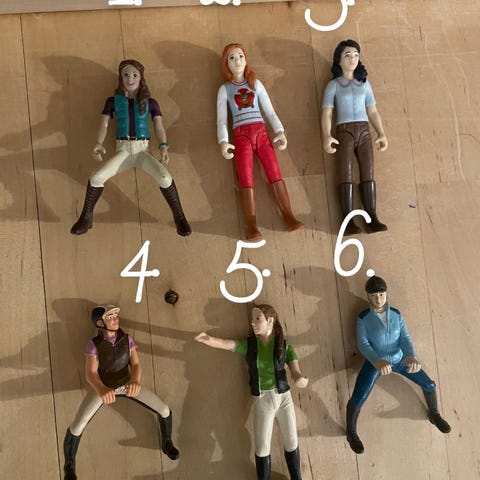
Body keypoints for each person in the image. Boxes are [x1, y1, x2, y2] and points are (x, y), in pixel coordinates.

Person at [70, 59, 191, 237]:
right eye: (126, 75)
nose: (130, 78)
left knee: (165, 178)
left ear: (141, 78)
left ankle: (180, 217)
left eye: (134, 75)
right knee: (96, 177)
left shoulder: (151, 102)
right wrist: (99, 143)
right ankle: (86, 217)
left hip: (142, 151)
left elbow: (159, 127)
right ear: (121, 78)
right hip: (124, 150)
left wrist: (163, 146)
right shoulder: (113, 101)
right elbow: (104, 124)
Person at [63, 305, 179, 479]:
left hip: (126, 384)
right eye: (110, 317)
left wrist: (134, 381)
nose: (115, 319)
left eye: (116, 316)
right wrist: (101, 389)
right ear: (100, 323)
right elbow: (91, 373)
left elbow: (136, 364)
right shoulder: (94, 345)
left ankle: (167, 442)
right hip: (104, 388)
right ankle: (69, 465)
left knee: (163, 410)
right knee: (78, 424)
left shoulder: (127, 340)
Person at [195, 304, 308, 480]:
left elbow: (295, 370)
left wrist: (299, 378)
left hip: (283, 398)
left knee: (292, 441)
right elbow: (227, 344)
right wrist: (209, 339)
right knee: (262, 447)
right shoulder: (250, 346)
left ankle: (296, 477)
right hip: (262, 399)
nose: (253, 323)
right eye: (252, 320)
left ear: (270, 320)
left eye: (257, 319)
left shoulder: (284, 346)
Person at [346, 276, 451, 454]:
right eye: (374, 295)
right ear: (368, 296)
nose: (378, 299)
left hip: (399, 360)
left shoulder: (396, 314)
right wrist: (377, 361)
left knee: (430, 384)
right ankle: (351, 433)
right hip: (376, 363)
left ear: (386, 294)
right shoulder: (363, 318)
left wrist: (410, 356)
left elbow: (405, 338)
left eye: (381, 294)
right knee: (360, 395)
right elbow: (363, 344)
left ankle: (434, 414)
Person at [217, 43, 303, 241]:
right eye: (232, 57)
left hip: (261, 133)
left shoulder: (255, 83)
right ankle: (251, 224)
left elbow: (270, 111)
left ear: (246, 59)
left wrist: (279, 131)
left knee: (274, 171)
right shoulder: (225, 89)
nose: (237, 60)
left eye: (240, 56)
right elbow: (221, 119)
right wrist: (223, 141)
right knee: (245, 177)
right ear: (226, 63)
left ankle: (288, 215)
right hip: (241, 136)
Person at [321, 39, 388, 235]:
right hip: (344, 132)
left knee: (368, 171)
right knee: (346, 172)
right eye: (347, 55)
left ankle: (372, 217)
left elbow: (373, 111)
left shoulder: (364, 84)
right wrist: (326, 135)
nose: (353, 58)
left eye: (356, 55)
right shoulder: (333, 85)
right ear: (339, 59)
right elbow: (327, 112)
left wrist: (381, 133)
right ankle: (347, 220)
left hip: (364, 131)